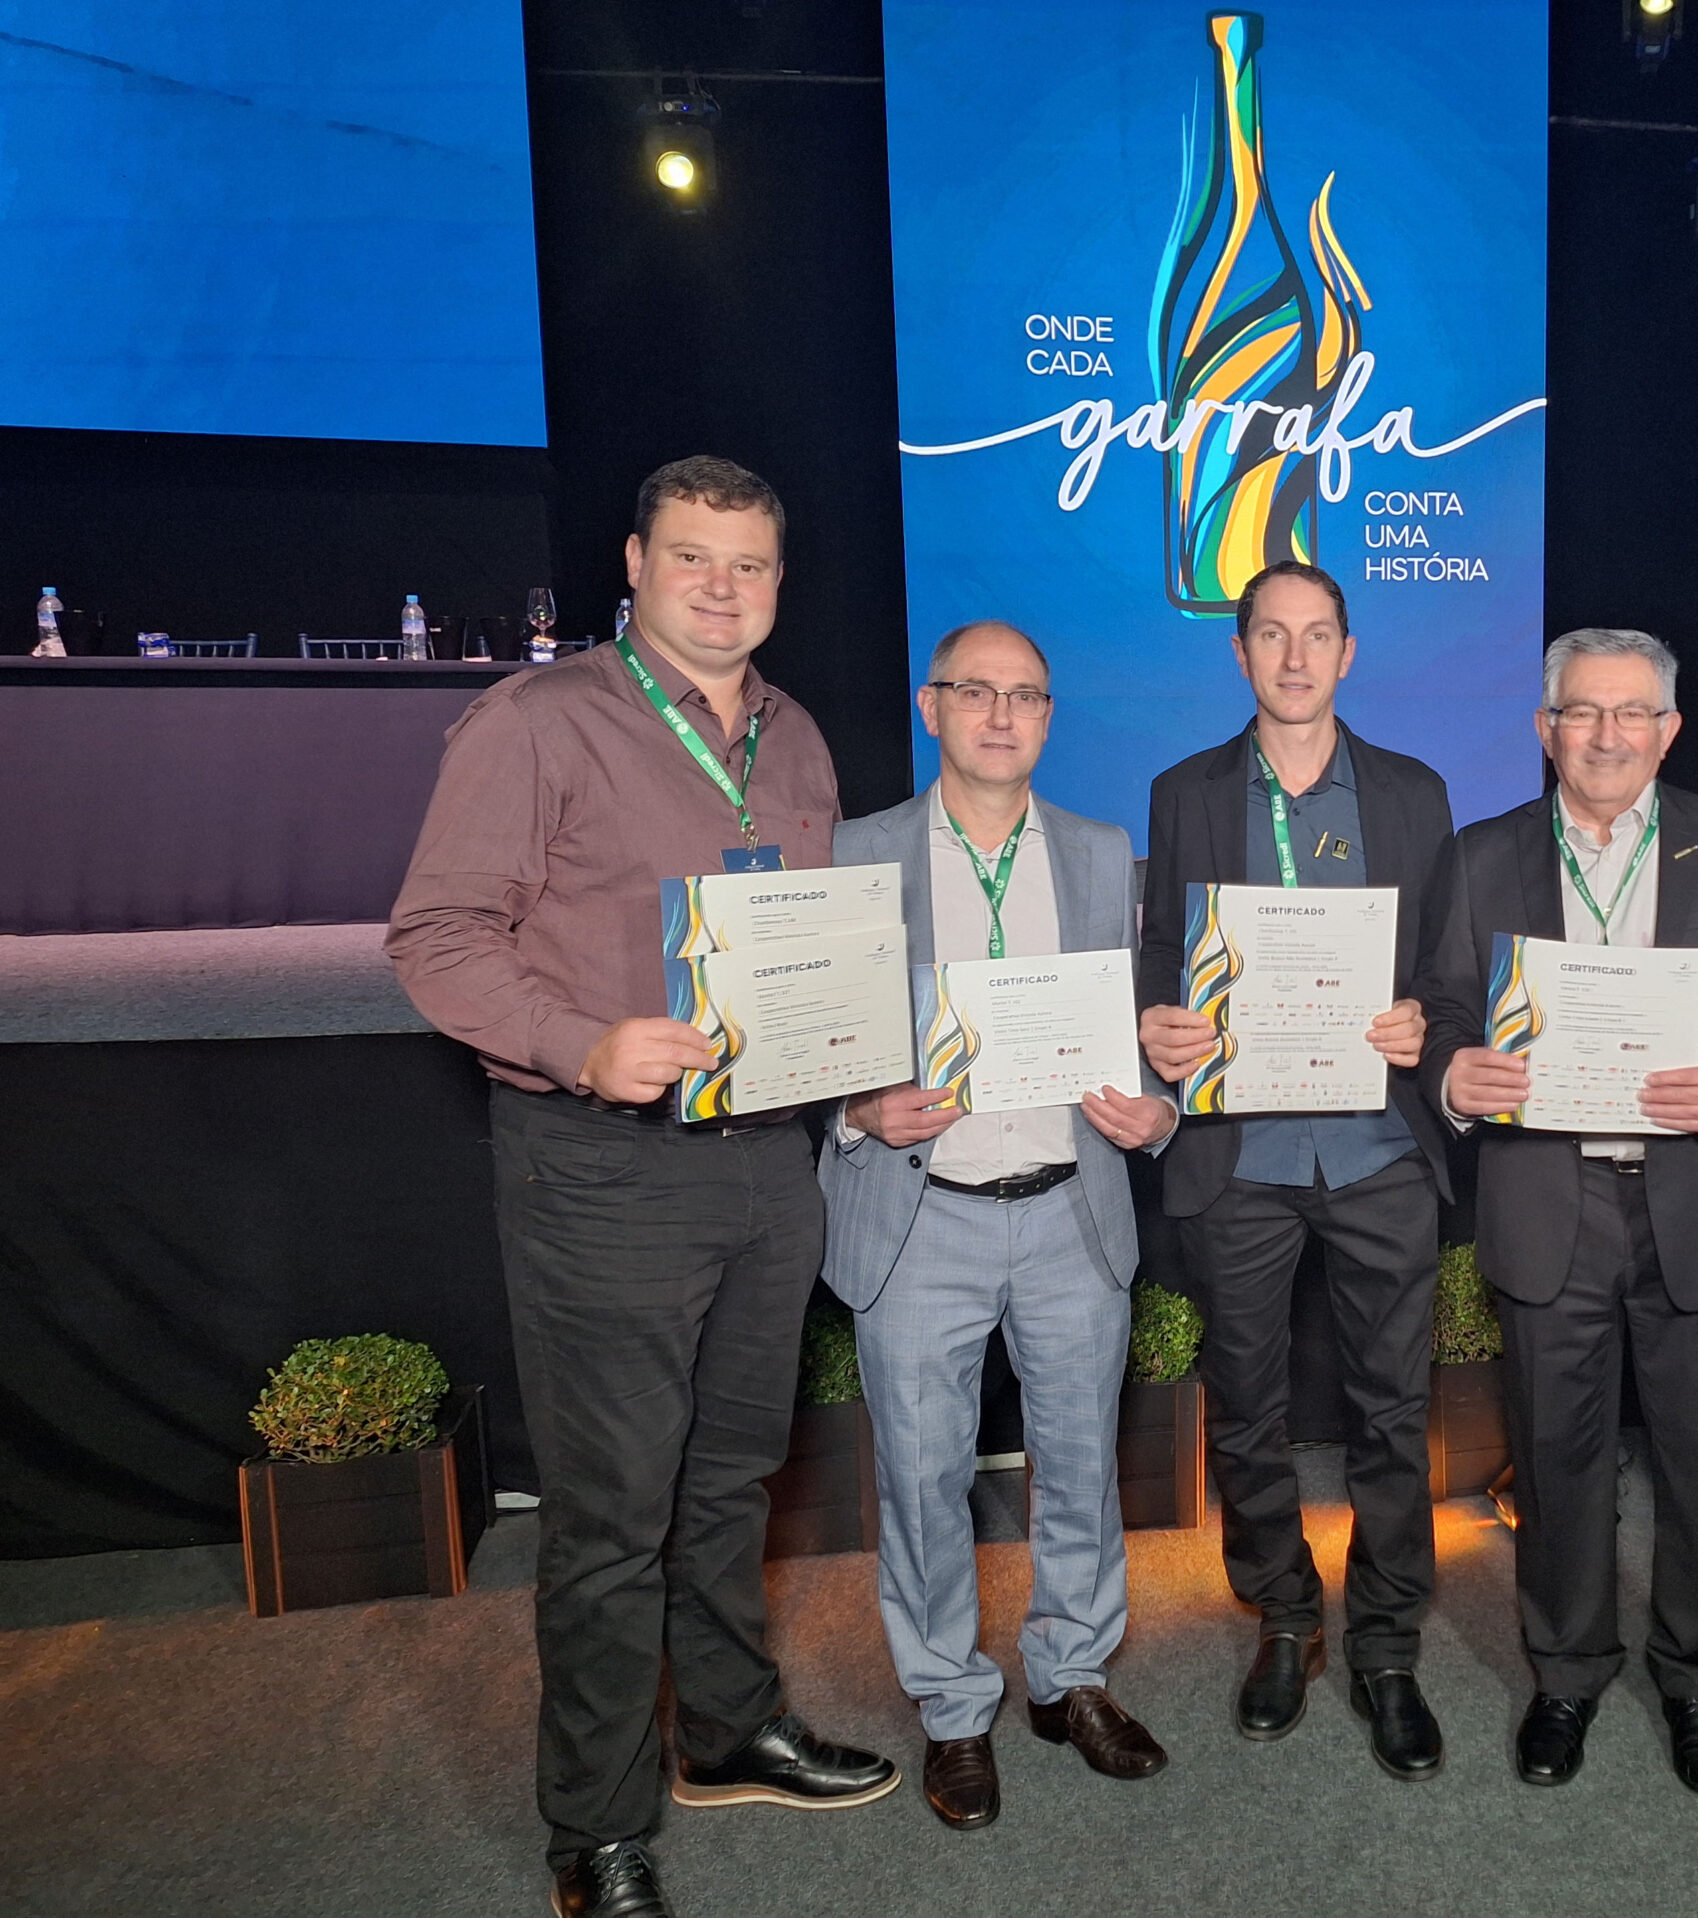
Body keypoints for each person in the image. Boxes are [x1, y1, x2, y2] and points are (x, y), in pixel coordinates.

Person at [387, 457, 897, 1918]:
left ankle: (727, 1729)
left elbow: (804, 945)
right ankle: (593, 1828)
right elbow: (433, 936)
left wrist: (856, 1058)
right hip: (601, 1171)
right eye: (692, 558)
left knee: (734, 1478)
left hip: (767, 1164)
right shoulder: (541, 721)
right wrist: (579, 1039)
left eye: (750, 563)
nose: (722, 587)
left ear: (781, 582)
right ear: (635, 560)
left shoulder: (794, 735)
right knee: (614, 1517)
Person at [1420, 628, 1698, 1794]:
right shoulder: (1483, 853)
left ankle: (1695, 1678)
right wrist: (1455, 1071)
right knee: (1556, 1458)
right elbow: (1443, 1006)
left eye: (1630, 713)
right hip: (1552, 1195)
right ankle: (1567, 1674)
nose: (1605, 735)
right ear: (1544, 730)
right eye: (1581, 713)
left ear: (1669, 730)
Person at [820, 620, 1178, 1831]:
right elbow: (807, 1024)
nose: (1000, 713)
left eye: (1025, 694)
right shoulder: (858, 849)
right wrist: (858, 1103)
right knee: (922, 1483)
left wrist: (1155, 1105)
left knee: (1078, 1467)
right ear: (932, 707)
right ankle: (952, 1707)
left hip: (1070, 1209)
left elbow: (1130, 1028)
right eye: (975, 690)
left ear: (1047, 715)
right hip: (923, 1217)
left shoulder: (1094, 848)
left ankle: (1069, 1677)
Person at [1135, 561, 1455, 1779]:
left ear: (1347, 651)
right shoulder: (1186, 792)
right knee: (1251, 1408)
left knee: (1389, 1408)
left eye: (1316, 635)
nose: (1294, 656)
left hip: (1376, 1144)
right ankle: (1281, 1613)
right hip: (1242, 1147)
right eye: (1270, 635)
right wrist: (1160, 1020)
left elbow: (1446, 961)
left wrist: (1427, 1017)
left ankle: (1383, 1643)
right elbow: (1164, 945)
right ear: (1240, 653)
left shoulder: (1415, 793)